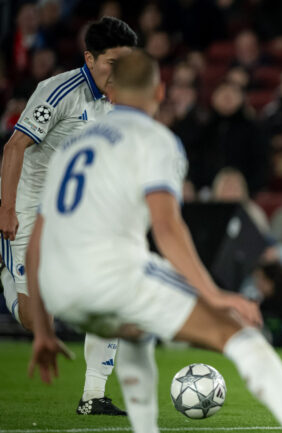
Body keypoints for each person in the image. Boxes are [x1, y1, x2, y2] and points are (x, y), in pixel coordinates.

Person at [26, 50, 282, 433]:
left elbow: (36, 241)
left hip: (59, 287)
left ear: (110, 93)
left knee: (134, 330)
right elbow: (166, 228)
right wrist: (213, 295)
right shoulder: (155, 139)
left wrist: (43, 329)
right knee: (241, 336)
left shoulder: (70, 147)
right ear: (159, 91)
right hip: (112, 275)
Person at [0, 16, 137, 416]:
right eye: (113, 62)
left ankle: (93, 396)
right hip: (26, 211)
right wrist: (6, 209)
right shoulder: (58, 92)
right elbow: (14, 148)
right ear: (90, 58)